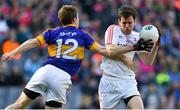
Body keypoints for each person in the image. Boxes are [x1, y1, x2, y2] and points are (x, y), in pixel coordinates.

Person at [1, 5, 139, 109]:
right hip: (62, 78)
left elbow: (32, 42)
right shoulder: (82, 35)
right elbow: (104, 50)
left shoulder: (53, 32)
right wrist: (123, 58)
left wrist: (13, 52)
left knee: (19, 105)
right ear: (74, 19)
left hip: (45, 71)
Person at [99, 5, 159, 109]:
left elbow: (147, 61)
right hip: (109, 81)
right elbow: (110, 50)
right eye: (124, 23)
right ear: (119, 22)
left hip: (127, 81)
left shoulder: (138, 37)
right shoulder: (112, 29)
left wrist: (156, 45)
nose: (127, 26)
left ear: (134, 22)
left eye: (130, 23)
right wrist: (134, 47)